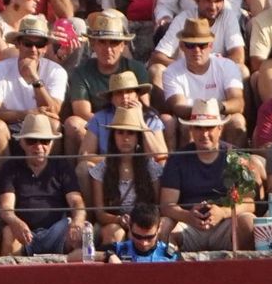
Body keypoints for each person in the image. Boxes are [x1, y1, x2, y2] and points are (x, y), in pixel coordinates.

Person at [159, 98, 257, 252]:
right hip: (188, 226)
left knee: (248, 222)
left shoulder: (237, 156)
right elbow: (167, 205)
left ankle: (243, 272)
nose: (204, 134)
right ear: (191, 130)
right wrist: (188, 216)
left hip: (226, 224)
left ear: (220, 128)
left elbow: (250, 203)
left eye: (209, 128)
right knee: (162, 226)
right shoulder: (177, 158)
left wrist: (223, 212)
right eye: (198, 128)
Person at [0, 111, 87, 256]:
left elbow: (76, 202)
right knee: (9, 232)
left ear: (51, 143)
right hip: (24, 232)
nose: (38, 146)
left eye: (44, 141)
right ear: (22, 142)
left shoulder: (62, 166)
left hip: (57, 230)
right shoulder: (10, 167)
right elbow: (6, 207)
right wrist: (15, 222)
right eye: (32, 140)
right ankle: (8, 278)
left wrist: (77, 222)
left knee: (82, 233)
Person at [0, 14, 68, 158]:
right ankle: (2, 178)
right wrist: (26, 114)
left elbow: (53, 111)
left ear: (45, 48)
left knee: (54, 124)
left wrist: (35, 78)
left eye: (39, 44)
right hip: (10, 128)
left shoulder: (57, 71)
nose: (34, 49)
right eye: (28, 43)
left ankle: (51, 176)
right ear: (18, 44)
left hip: (42, 129)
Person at [63, 10, 146, 155]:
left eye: (114, 42)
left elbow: (145, 107)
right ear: (93, 44)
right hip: (97, 126)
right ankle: (71, 174)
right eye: (102, 42)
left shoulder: (137, 68)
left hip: (132, 126)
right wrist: (109, 124)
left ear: (123, 45)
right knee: (73, 124)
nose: (108, 49)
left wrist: (123, 126)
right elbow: (82, 112)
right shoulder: (81, 72)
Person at [160, 16, 246, 147]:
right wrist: (205, 113)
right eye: (190, 45)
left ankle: (233, 165)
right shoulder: (171, 71)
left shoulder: (227, 65)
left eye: (202, 45)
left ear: (211, 45)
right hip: (190, 120)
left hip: (220, 118)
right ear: (182, 46)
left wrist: (218, 107)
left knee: (237, 121)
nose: (197, 50)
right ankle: (185, 166)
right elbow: (178, 107)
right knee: (187, 127)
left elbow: (238, 103)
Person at [90, 106, 164, 245]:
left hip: (145, 221)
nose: (125, 138)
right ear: (113, 136)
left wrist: (137, 221)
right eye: (120, 133)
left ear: (138, 137)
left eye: (131, 133)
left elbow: (158, 206)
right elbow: (99, 214)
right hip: (111, 221)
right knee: (115, 234)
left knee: (139, 235)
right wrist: (119, 219)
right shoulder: (101, 169)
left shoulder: (151, 168)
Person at [105, 201, 180, 261]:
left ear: (159, 228)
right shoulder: (119, 249)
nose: (144, 243)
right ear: (130, 227)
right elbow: (94, 254)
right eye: (138, 236)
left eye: (150, 237)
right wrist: (110, 255)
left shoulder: (170, 255)